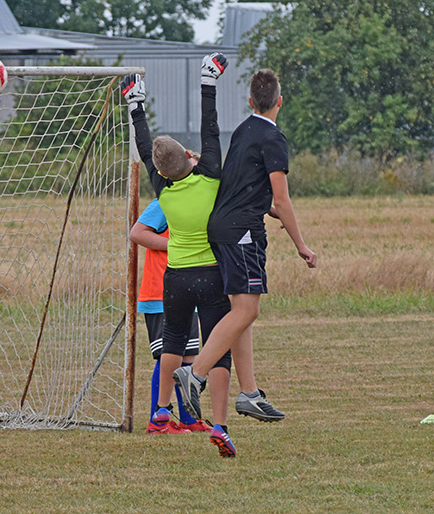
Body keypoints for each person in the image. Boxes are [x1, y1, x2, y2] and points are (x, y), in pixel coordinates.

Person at [173, 69, 318, 425]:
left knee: (242, 310)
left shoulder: (243, 130)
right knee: (246, 311)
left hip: (223, 226)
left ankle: (249, 393)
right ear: (279, 102)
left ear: (251, 102)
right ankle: (196, 373)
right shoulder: (273, 138)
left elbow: (243, 184)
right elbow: (282, 199)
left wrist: (261, 207)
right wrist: (301, 245)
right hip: (242, 233)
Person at [121, 53, 236, 457]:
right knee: (215, 350)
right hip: (210, 275)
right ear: (190, 159)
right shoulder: (208, 179)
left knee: (172, 345)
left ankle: (160, 414)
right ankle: (219, 426)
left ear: (159, 171)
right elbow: (211, 128)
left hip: (175, 278)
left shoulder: (163, 189)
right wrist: (208, 83)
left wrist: (135, 105)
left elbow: (144, 142)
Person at [130, 197, 216, 435]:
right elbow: (137, 233)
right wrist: (176, 245)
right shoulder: (165, 202)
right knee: (169, 357)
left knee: (189, 358)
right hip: (160, 295)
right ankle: (157, 420)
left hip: (187, 291)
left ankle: (188, 419)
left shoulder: (198, 202)